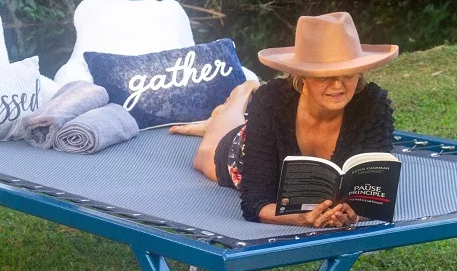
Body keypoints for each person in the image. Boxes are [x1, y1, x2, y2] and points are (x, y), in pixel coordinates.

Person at [170, 12, 398, 228]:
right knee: (203, 156)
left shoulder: (372, 105)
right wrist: (301, 219)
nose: (338, 86)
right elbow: (254, 203)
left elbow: (375, 195)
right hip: (243, 151)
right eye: (325, 76)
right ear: (303, 76)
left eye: (348, 74)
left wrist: (354, 215)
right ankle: (238, 97)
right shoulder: (272, 102)